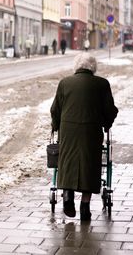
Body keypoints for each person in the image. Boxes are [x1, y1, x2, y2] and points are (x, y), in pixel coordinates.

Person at [50, 52, 118, 221]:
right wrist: (107, 123)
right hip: (91, 131)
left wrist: (55, 126)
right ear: (93, 67)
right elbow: (109, 110)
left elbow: (55, 110)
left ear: (76, 66)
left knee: (68, 161)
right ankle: (85, 207)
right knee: (89, 164)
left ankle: (67, 196)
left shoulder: (65, 83)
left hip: (69, 131)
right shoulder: (102, 84)